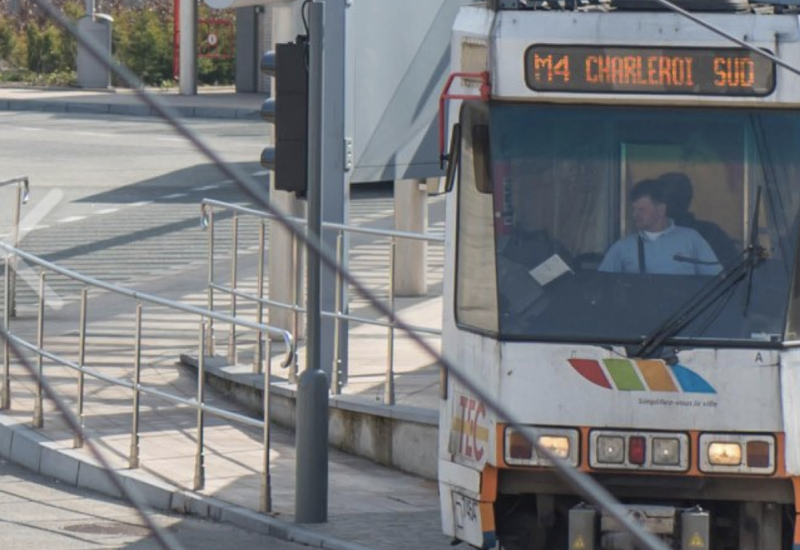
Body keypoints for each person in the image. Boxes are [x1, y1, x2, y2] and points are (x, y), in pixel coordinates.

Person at [599, 178, 722, 275]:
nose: (635, 214)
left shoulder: (692, 239)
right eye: (634, 209)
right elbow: (601, 285)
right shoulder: (622, 247)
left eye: (641, 210)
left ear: (661, 210)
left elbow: (718, 280)